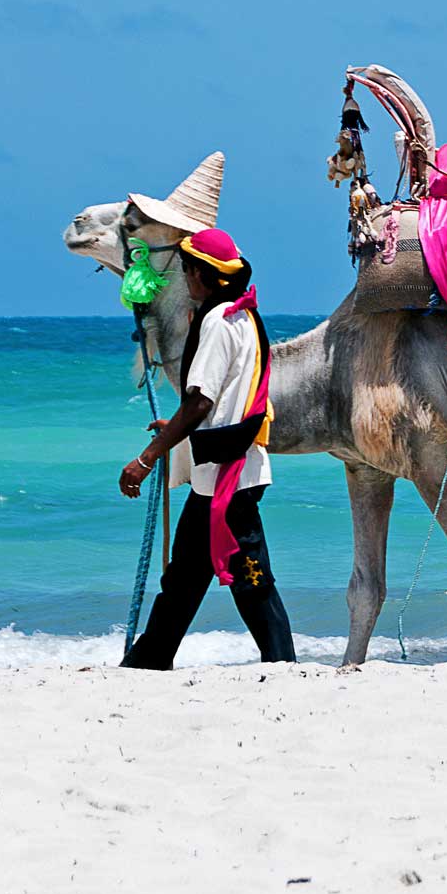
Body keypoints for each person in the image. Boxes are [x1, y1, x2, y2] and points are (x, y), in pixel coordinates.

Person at [118, 228, 296, 669]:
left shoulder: (218, 321)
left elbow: (201, 401)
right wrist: (173, 428)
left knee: (252, 582)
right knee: (183, 579)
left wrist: (148, 457)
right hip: (219, 475)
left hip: (230, 479)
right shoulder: (246, 317)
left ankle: (283, 665)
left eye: (184, 270)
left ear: (202, 274)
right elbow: (223, 398)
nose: (183, 278)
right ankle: (148, 662)